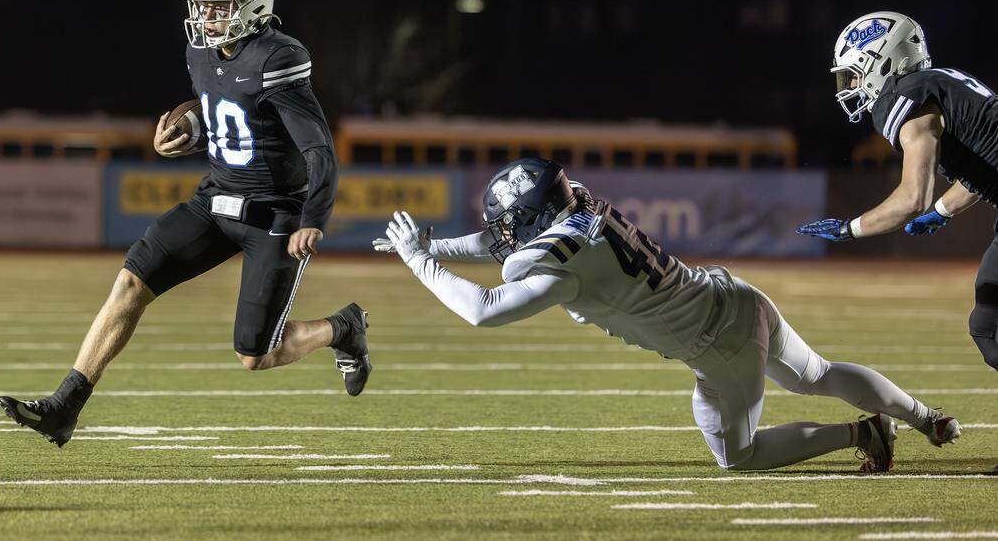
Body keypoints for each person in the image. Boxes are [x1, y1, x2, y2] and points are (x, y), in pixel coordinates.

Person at [0, 0, 371, 448]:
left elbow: (318, 148)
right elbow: (225, 114)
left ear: (252, 5)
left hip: (273, 214)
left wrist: (313, 217)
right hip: (215, 200)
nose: (207, 18)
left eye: (218, 7)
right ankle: (65, 405)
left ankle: (343, 328)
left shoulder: (277, 56)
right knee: (131, 281)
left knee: (255, 354)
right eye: (203, 7)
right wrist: (189, 132)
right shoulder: (201, 54)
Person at [375, 157, 960, 471]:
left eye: (508, 224)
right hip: (735, 296)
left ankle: (860, 432)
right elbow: (499, 244)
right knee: (818, 374)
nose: (498, 235)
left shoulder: (561, 260)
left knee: (738, 456)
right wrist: (432, 249)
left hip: (716, 344)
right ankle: (925, 415)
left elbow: (483, 310)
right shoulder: (579, 207)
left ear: (532, 220)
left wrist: (420, 263)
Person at [798, 11, 998, 372]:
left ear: (881, 60)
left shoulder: (905, 95)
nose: (849, 86)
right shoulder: (942, 82)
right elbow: (981, 170)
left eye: (853, 74)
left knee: (991, 328)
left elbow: (911, 198)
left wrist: (850, 228)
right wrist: (942, 210)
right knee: (989, 324)